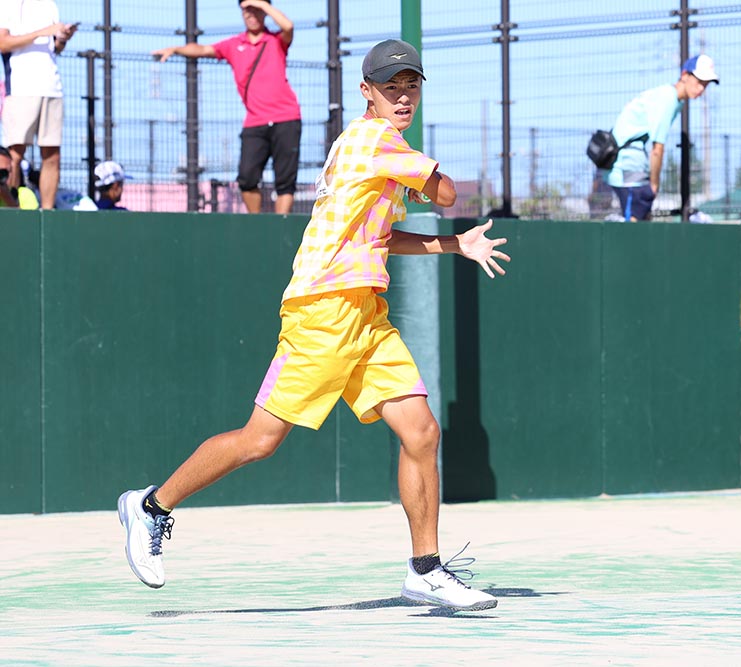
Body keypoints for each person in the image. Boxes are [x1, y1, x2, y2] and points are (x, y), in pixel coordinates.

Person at [118, 39, 510, 612]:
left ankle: (426, 570)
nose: (404, 97)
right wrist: (432, 185)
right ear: (367, 92)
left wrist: (455, 245)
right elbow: (447, 192)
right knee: (259, 441)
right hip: (322, 310)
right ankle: (150, 506)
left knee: (421, 432)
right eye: (392, 88)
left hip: (365, 313)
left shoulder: (373, 149)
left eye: (412, 87)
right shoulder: (376, 141)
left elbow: (380, 238)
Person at [152, 0, 300, 215]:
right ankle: (257, 224)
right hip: (255, 121)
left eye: (256, 10)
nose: (251, 15)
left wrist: (262, 4)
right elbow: (202, 49)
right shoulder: (233, 44)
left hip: (287, 118)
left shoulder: (276, 41)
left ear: (264, 12)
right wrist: (176, 49)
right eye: (246, 11)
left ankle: (281, 225)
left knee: (285, 181)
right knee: (246, 178)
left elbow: (288, 26)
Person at [604, 54, 718, 221]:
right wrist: (654, 184)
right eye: (699, 81)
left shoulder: (672, 98)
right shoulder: (668, 99)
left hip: (626, 161)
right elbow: (657, 149)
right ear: (684, 75)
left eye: (706, 84)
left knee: (641, 217)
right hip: (625, 163)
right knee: (634, 221)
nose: (701, 88)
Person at [0, 0, 76, 210]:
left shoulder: (49, 5)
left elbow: (54, 48)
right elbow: (3, 43)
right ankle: (12, 209)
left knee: (52, 155)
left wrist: (62, 39)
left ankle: (47, 212)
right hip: (22, 88)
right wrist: (42, 32)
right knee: (14, 154)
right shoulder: (7, 4)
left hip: (52, 88)